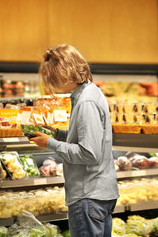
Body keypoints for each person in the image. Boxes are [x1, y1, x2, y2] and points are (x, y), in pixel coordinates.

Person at [30, 44, 119, 237]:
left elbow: (89, 153)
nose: (52, 84)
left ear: (64, 73)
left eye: (52, 78)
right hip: (99, 194)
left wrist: (50, 143)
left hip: (88, 196)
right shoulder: (91, 93)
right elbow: (86, 137)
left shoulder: (86, 101)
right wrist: (57, 134)